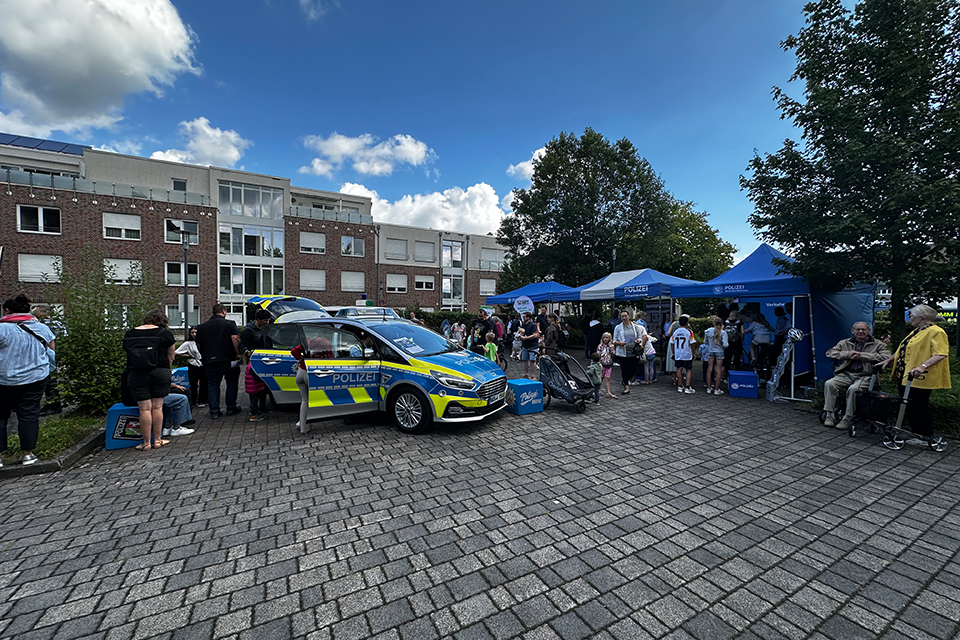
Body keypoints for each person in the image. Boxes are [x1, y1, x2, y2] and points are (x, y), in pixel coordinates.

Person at [877, 305, 951, 442]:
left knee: (919, 405)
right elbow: (903, 348)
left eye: (911, 315)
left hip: (920, 377)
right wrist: (889, 360)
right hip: (906, 375)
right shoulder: (917, 331)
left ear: (921, 317)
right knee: (908, 405)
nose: (910, 317)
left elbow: (941, 353)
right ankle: (915, 433)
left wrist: (922, 366)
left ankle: (925, 435)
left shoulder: (936, 331)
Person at [0, 294, 56, 466]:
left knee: (1, 416)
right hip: (35, 378)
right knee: (29, 415)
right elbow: (52, 350)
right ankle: (28, 454)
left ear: (7, 311)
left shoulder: (2, 329)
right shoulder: (42, 328)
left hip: (5, 379)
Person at [123, 309, 176, 451]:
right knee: (157, 407)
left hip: (137, 373)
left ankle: (146, 442)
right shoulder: (165, 334)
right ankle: (158, 440)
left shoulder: (130, 334)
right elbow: (171, 356)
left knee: (144, 408)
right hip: (160, 372)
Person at [823, 321, 890, 429]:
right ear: (852, 331)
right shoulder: (845, 342)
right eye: (857, 329)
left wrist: (862, 355)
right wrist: (847, 354)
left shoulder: (878, 344)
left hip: (866, 376)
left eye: (863, 329)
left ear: (869, 331)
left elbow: (886, 357)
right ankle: (829, 415)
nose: (860, 331)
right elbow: (830, 352)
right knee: (829, 384)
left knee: (853, 389)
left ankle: (847, 418)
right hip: (847, 374)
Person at [196, 303, 242, 420]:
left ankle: (214, 411)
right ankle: (231, 407)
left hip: (210, 361)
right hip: (228, 359)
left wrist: (204, 355)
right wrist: (237, 353)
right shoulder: (229, 324)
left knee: (213, 385)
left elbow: (198, 344)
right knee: (231, 383)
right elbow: (235, 338)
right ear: (224, 312)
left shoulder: (201, 327)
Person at [240, 309, 271, 422]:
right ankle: (254, 411)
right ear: (258, 320)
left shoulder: (267, 328)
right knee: (254, 386)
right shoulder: (249, 330)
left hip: (266, 361)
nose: (267, 322)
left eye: (268, 320)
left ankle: (262, 407)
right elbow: (243, 346)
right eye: (265, 320)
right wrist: (250, 353)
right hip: (254, 362)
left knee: (264, 386)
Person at [32, 304, 62, 416]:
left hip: (47, 354)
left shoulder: (43, 325)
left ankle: (54, 405)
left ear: (43, 312)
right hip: (55, 353)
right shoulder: (57, 323)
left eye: (37, 310)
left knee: (49, 381)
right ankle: (51, 404)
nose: (35, 312)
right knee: (51, 380)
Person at [175, 326, 208, 408]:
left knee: (204, 383)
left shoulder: (204, 341)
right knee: (193, 383)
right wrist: (188, 356)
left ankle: (202, 400)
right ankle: (193, 400)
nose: (194, 334)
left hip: (203, 364)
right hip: (193, 364)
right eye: (192, 332)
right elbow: (176, 352)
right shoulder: (188, 343)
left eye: (195, 332)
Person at [613, 311, 641, 395]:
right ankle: (626, 387)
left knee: (633, 368)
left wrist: (639, 340)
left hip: (634, 351)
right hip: (623, 351)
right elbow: (614, 340)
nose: (624, 318)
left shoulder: (635, 327)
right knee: (624, 369)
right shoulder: (618, 327)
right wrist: (620, 343)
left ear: (629, 316)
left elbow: (640, 337)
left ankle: (625, 380)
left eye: (625, 316)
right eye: (622, 317)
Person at [703, 316, 729, 395]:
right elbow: (725, 344)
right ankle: (717, 389)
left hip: (711, 351)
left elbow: (705, 342)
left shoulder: (708, 331)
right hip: (720, 351)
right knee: (718, 369)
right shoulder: (723, 333)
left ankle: (709, 387)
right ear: (721, 324)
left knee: (709, 369)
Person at [672, 315, 696, 393]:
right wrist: (693, 352)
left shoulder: (676, 332)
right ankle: (687, 386)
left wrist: (673, 352)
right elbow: (692, 343)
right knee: (688, 369)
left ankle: (680, 385)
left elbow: (672, 343)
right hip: (687, 353)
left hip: (678, 353)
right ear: (687, 323)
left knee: (679, 368)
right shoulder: (689, 332)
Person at [520, 311, 541, 379]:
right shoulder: (523, 324)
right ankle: (526, 374)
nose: (523, 318)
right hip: (525, 345)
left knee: (532, 360)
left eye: (524, 317)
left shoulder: (533, 325)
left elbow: (535, 335)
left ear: (528, 317)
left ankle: (533, 375)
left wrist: (526, 338)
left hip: (533, 345)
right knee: (525, 360)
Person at [597, 332, 617, 398]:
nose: (605, 339)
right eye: (604, 337)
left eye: (607, 337)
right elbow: (598, 355)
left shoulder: (611, 346)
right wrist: (600, 364)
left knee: (607, 378)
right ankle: (598, 389)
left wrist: (610, 347)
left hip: (608, 363)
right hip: (602, 363)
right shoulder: (600, 346)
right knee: (601, 377)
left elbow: (613, 354)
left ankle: (608, 392)